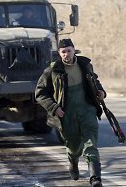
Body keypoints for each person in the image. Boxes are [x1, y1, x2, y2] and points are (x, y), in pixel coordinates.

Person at [35, 39, 106, 187]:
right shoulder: (53, 70)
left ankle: (95, 178)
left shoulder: (85, 65)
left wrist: (101, 91)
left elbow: (95, 81)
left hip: (87, 110)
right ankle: (73, 161)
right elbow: (40, 93)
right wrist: (54, 108)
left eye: (69, 50)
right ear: (59, 53)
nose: (66, 54)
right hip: (67, 114)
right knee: (74, 147)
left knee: (90, 143)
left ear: (74, 50)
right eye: (63, 52)